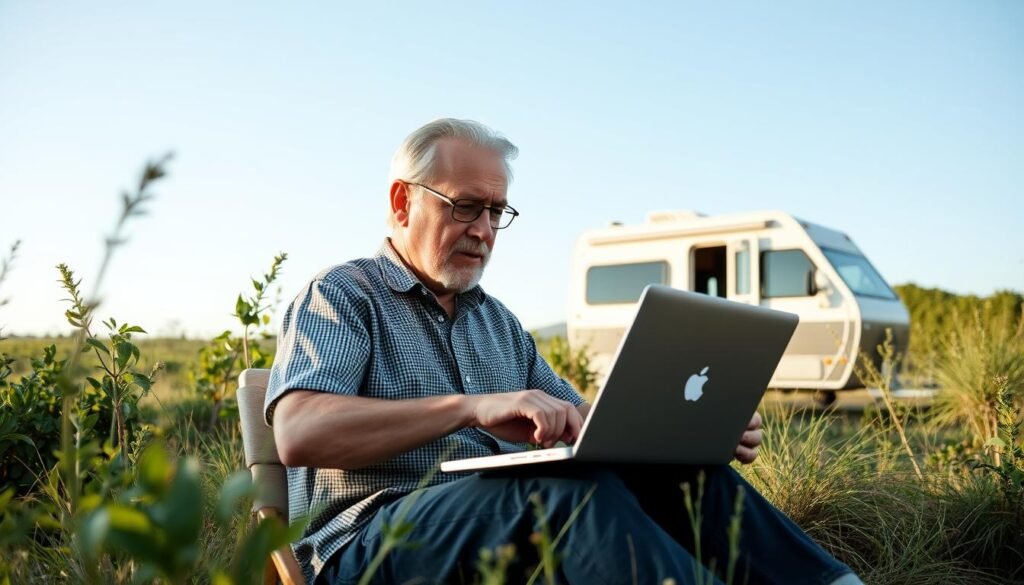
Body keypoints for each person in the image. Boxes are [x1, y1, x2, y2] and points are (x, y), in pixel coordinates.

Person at [264, 118, 862, 585]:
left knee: (684, 478)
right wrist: (469, 407)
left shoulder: (498, 324)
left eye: (497, 212)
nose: (484, 230)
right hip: (366, 547)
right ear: (403, 202)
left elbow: (593, 436)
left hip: (496, 524)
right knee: (556, 498)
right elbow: (298, 431)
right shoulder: (343, 295)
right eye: (466, 206)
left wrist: (693, 433)